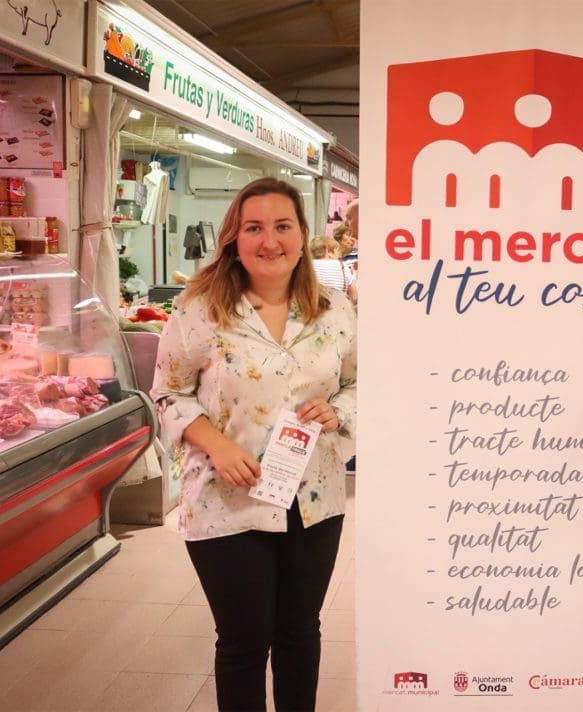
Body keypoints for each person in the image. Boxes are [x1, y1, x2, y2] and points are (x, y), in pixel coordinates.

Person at [150, 177, 357, 712]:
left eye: (282, 226)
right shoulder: (199, 309)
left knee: (300, 632)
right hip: (227, 499)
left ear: (302, 234)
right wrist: (216, 445)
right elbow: (168, 392)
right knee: (243, 641)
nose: (270, 241)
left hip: (314, 498)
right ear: (234, 239)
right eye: (254, 228)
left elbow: (361, 383)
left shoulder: (335, 309)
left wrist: (339, 411)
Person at [311, 235, 358, 304]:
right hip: (337, 308)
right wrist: (354, 275)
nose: (338, 256)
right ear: (329, 252)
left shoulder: (308, 266)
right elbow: (354, 297)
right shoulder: (342, 266)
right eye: (337, 252)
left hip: (312, 308)